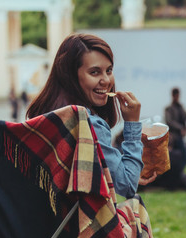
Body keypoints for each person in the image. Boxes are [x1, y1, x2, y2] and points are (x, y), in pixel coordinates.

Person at [26, 33, 155, 198]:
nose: (106, 80)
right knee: (136, 207)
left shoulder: (42, 115)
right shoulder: (88, 124)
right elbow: (127, 185)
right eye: (95, 72)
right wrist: (131, 124)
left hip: (44, 219)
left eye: (109, 70)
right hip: (77, 221)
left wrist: (125, 171)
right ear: (71, 76)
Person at [164, 87, 186, 170]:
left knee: (184, 157)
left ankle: (179, 173)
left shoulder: (180, 107)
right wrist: (181, 128)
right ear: (173, 95)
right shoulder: (168, 109)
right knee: (176, 157)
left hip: (180, 136)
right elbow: (169, 122)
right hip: (173, 137)